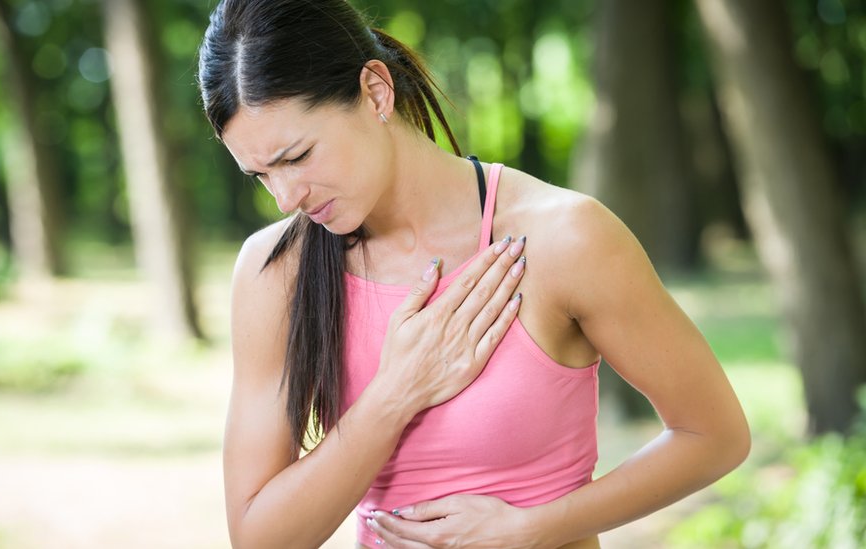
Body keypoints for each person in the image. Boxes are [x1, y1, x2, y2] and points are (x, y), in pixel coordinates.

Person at [197, 1, 751, 547]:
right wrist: (395, 393)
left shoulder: (564, 238)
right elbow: (260, 539)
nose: (286, 198)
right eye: (260, 174)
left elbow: (714, 436)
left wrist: (534, 528)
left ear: (375, 92)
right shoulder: (276, 272)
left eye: (297, 157)